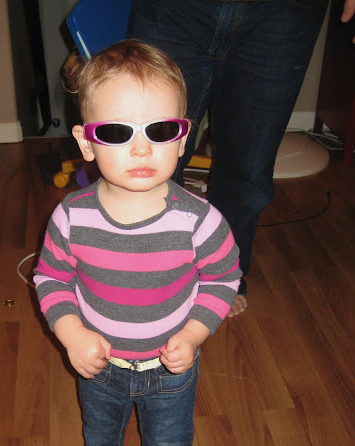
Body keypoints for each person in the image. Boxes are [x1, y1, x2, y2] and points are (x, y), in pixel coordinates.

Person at [33, 40, 241, 446]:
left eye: (161, 130)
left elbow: (223, 278)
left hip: (169, 367)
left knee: (170, 439)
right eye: (117, 132)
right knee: (99, 427)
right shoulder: (71, 217)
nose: (143, 149)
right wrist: (71, 333)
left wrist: (193, 335)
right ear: (86, 143)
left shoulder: (200, 221)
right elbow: (51, 277)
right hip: (99, 363)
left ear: (183, 137)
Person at [128, 0, 354, 317]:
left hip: (286, 11)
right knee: (145, 158)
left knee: (248, 171)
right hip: (175, 8)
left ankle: (221, 276)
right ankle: (151, 273)